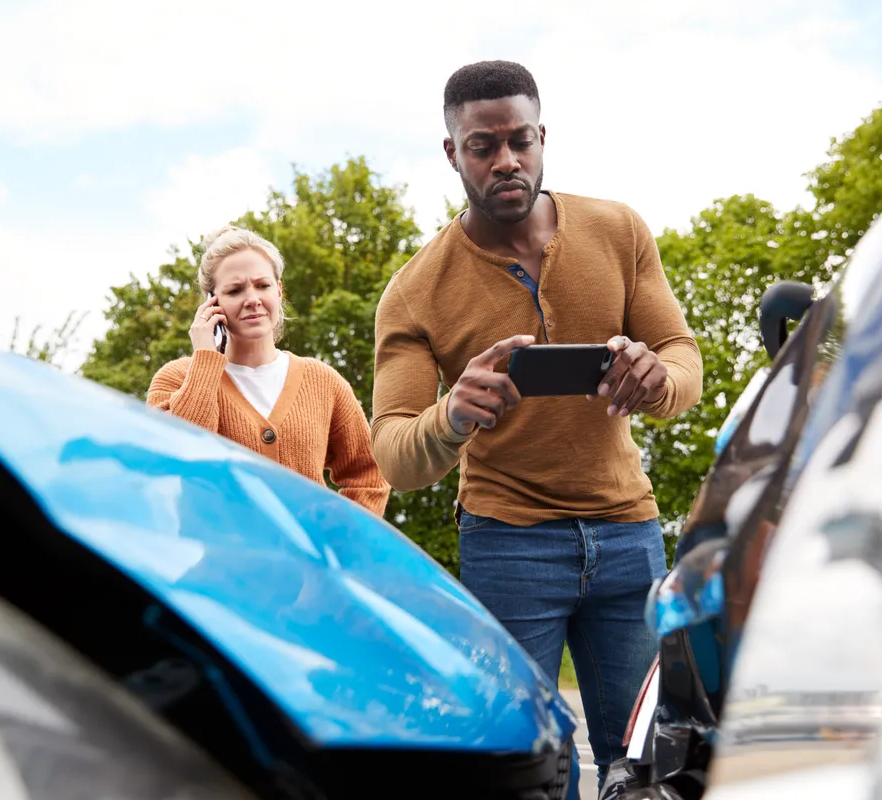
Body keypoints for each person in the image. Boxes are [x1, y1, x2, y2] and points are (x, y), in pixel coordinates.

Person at [369, 60, 702, 791]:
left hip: (627, 533)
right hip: (508, 545)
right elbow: (395, 454)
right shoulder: (415, 291)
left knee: (646, 765)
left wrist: (657, 377)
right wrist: (453, 414)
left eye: (520, 140)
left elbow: (683, 360)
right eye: (483, 146)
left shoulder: (618, 230)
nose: (506, 160)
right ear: (453, 153)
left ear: (543, 136)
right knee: (524, 773)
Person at [148, 224, 390, 516]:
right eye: (235, 290)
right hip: (217, 559)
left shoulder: (323, 382)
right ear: (212, 303)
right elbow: (180, 461)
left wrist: (340, 540)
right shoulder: (175, 379)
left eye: (262, 285)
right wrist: (205, 359)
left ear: (278, 290)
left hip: (306, 562)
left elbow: (369, 475)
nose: (252, 299)